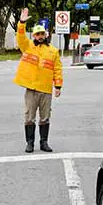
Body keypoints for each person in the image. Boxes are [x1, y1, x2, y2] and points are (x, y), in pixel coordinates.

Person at [13, 8, 63, 153]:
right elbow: (20, 36)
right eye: (37, 34)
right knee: (29, 117)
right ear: (34, 35)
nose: (40, 36)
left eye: (42, 34)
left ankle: (44, 143)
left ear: (46, 35)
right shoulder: (27, 46)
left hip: (46, 90)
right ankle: (30, 143)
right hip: (31, 89)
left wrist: (58, 86)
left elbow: (57, 69)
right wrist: (22, 22)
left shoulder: (53, 51)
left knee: (45, 117)